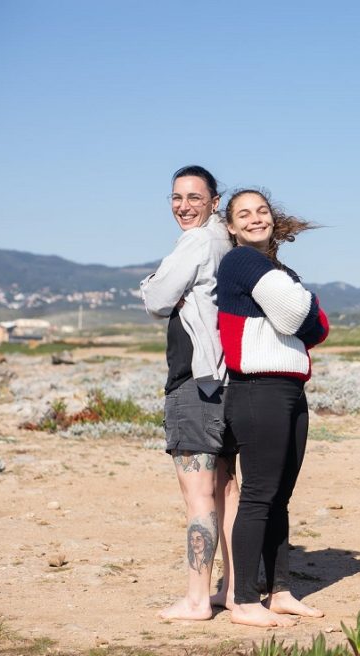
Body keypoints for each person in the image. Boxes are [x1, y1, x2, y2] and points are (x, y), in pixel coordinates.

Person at [217, 188, 330, 628]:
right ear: (231, 226)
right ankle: (244, 599)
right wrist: (308, 304)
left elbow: (318, 328)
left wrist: (306, 308)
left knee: (280, 496)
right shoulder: (242, 261)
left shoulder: (278, 269)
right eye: (243, 214)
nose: (255, 219)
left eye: (261, 211)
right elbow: (292, 317)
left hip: (288, 390)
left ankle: (280, 591)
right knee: (260, 495)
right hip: (256, 390)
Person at [140, 165, 239, 620]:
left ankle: (198, 598)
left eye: (194, 197)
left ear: (214, 201)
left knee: (198, 495)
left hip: (195, 383)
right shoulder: (227, 239)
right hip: (228, 380)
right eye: (176, 198)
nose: (183, 206)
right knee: (227, 490)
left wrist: (159, 288)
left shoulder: (198, 241)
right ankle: (235, 591)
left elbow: (157, 299)